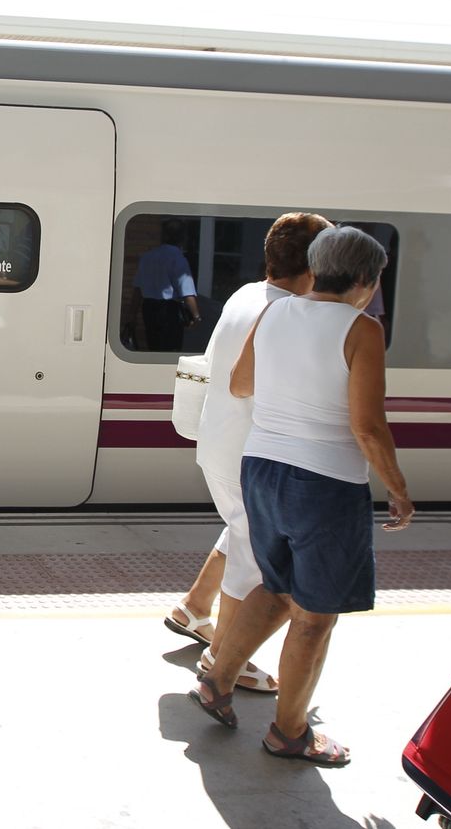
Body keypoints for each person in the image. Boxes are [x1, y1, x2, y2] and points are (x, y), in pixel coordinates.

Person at [188, 226, 414, 767]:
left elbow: (240, 384)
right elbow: (367, 426)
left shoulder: (274, 313)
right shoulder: (362, 329)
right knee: (315, 616)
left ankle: (217, 680)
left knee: (277, 587)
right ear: (366, 279)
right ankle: (289, 732)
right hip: (326, 484)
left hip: (262, 470)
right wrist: (398, 489)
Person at [165, 213, 333, 694]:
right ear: (316, 265)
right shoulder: (291, 314)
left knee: (241, 530)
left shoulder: (246, 295)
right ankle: (223, 658)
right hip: (253, 456)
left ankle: (195, 607)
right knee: (254, 561)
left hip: (217, 441)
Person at [128, 218, 201, 351]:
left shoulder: (147, 257)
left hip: (148, 308)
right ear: (182, 238)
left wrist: (132, 316)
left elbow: (138, 290)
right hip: (169, 310)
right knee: (170, 350)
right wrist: (196, 316)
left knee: (154, 347)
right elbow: (187, 293)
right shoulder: (178, 259)